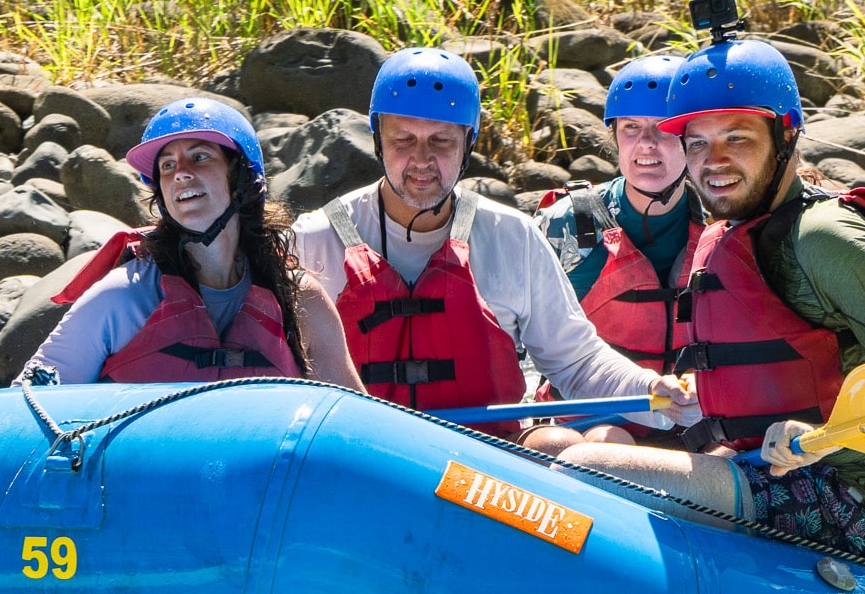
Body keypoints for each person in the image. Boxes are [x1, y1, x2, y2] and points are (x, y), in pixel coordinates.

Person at [559, 18, 865, 560]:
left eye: (736, 139)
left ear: (786, 136)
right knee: (563, 455)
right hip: (755, 470)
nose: (712, 162)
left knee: (590, 467)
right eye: (697, 145)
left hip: (847, 502)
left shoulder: (821, 234)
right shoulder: (727, 232)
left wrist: (831, 433)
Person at [292, 47, 695, 447]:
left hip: (484, 466)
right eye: (403, 140)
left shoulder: (513, 237)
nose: (421, 160)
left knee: (559, 446)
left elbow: (577, 362)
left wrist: (657, 392)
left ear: (469, 140)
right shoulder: (314, 239)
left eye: (440, 141)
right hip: (357, 456)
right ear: (377, 137)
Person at [22, 99, 363, 389]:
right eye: (167, 165)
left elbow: (354, 423)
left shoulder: (299, 298)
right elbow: (26, 410)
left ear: (242, 178)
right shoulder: (121, 299)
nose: (180, 173)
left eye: (200, 157)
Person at [536, 52, 700, 444]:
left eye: (663, 128)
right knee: (608, 441)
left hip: (689, 421)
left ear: (691, 139)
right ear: (614, 137)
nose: (646, 144)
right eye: (630, 128)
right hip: (589, 420)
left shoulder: (718, 224)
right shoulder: (568, 224)